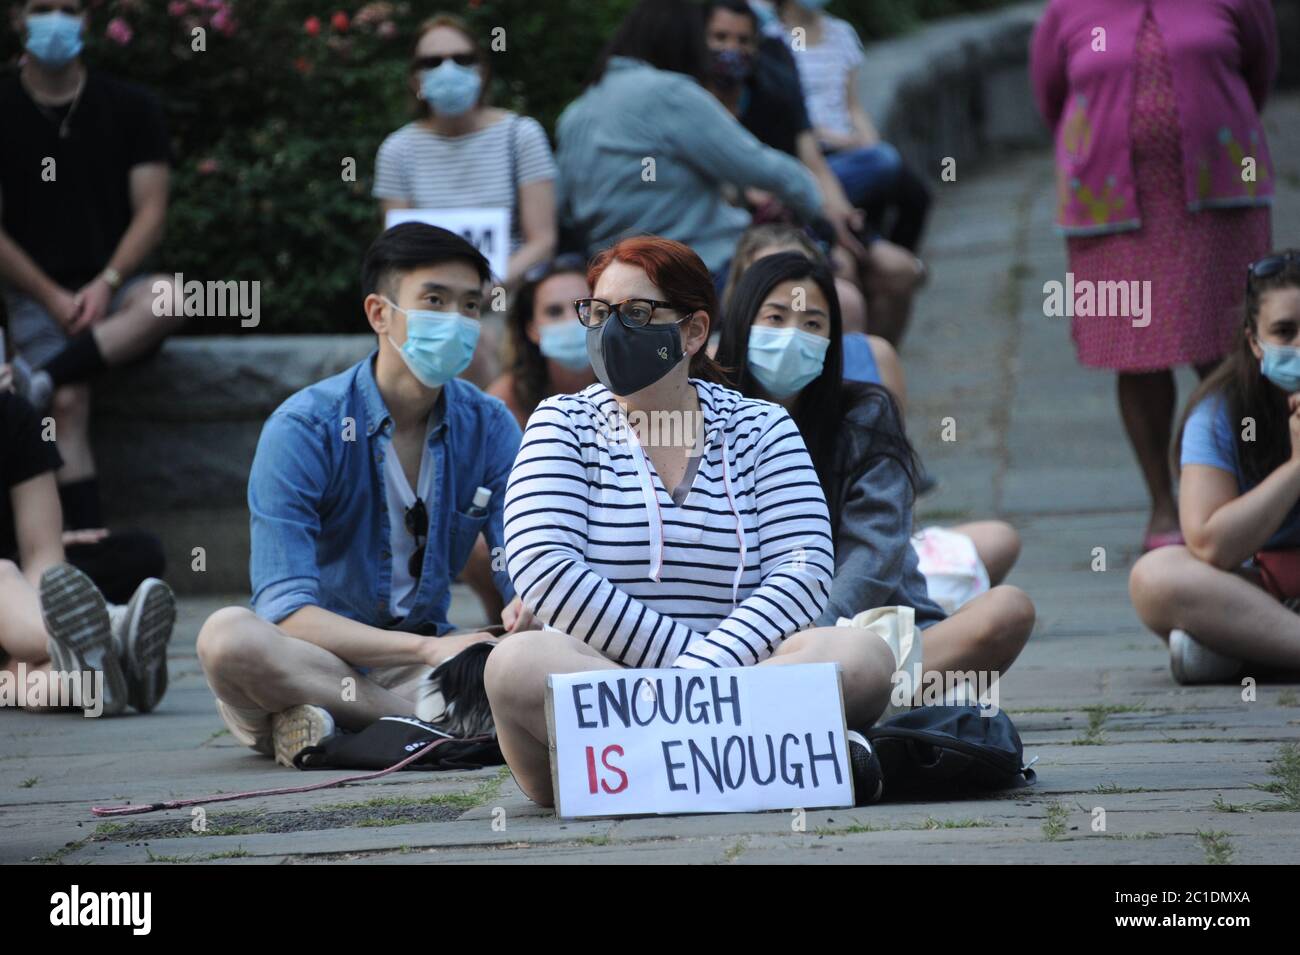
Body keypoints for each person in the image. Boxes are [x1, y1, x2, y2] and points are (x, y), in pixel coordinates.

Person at [486, 236, 901, 808]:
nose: (609, 331)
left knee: (864, 656)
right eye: (599, 313)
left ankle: (648, 767)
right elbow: (545, 570)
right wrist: (694, 682)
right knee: (513, 664)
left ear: (692, 331)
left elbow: (801, 573)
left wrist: (706, 671)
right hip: (613, 679)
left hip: (741, 665)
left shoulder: (764, 426)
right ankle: (775, 748)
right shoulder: (561, 422)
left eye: (634, 314)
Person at [196, 224, 523, 767]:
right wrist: (428, 649)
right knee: (227, 637)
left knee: (534, 669)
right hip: (306, 656)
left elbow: (523, 558)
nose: (457, 322)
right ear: (380, 314)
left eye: (470, 306)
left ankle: (327, 723)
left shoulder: (489, 423)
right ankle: (419, 726)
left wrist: (525, 608)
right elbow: (286, 611)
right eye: (434, 300)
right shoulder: (304, 426)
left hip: (419, 661)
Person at [715, 253, 1032, 686]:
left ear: (832, 340)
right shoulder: (702, 416)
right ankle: (825, 704)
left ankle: (830, 697)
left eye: (812, 324)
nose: (792, 336)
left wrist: (809, 639)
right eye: (775, 317)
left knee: (1006, 611)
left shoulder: (864, 413)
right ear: (739, 322)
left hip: (862, 634)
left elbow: (873, 555)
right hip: (730, 643)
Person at [1031, 0, 1277, 552]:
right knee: (1135, 354)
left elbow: (1258, 74)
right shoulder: (1067, 10)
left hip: (1218, 201)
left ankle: (1243, 496)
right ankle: (1163, 506)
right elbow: (1052, 98)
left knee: (1230, 347)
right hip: (1110, 207)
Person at [0, 0, 179, 539]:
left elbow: (152, 212)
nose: (56, 18)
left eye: (69, 7)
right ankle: (86, 550)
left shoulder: (131, 107)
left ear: (87, 21)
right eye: (41, 7)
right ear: (16, 19)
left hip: (117, 294)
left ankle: (48, 373)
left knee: (174, 295)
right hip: (31, 296)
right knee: (69, 402)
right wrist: (52, 296)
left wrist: (107, 283)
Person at [554, 0, 826, 289]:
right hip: (703, 266)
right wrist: (820, 217)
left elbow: (563, 211)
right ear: (683, 40)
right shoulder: (670, 92)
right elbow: (760, 166)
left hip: (615, 277)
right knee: (839, 293)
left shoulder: (576, 112)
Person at [703, 0, 923, 344]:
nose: (732, 49)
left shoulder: (773, 87)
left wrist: (841, 216)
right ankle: (836, 386)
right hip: (749, 232)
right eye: (720, 37)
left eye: (743, 41)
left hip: (801, 212)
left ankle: (875, 375)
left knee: (900, 270)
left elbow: (814, 163)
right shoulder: (690, 103)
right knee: (842, 279)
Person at [1131, 251, 1300, 684]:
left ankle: (1246, 652)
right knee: (1155, 576)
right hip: (1266, 592)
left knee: (1200, 651)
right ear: (1255, 341)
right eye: (1285, 331)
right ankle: (1270, 643)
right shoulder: (1220, 412)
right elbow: (1210, 545)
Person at [374, 13, 558, 387]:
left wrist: (487, 284)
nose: (448, 69)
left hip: (507, 299)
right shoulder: (397, 150)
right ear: (415, 78)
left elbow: (543, 240)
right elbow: (398, 248)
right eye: (432, 62)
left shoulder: (520, 136)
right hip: (429, 301)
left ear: (482, 71)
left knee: (480, 344)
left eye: (462, 59)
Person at [0, 364, 175, 717]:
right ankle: (114, 639)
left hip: (14, 617)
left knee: (26, 675)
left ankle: (102, 677)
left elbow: (43, 555)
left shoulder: (12, 414)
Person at [769, 0, 931, 344]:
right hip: (808, 156)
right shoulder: (770, 38)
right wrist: (836, 140)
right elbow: (793, 126)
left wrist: (865, 141)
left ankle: (886, 259)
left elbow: (853, 106)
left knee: (910, 187)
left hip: (850, 156)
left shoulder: (841, 33)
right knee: (846, 265)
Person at [718, 223, 905, 403]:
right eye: (764, 276)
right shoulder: (706, 369)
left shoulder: (876, 358)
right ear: (738, 293)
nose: (786, 288)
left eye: (798, 271)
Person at [488, 253, 595, 428]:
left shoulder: (634, 386)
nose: (572, 320)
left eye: (585, 308)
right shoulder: (505, 401)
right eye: (554, 312)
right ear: (532, 329)